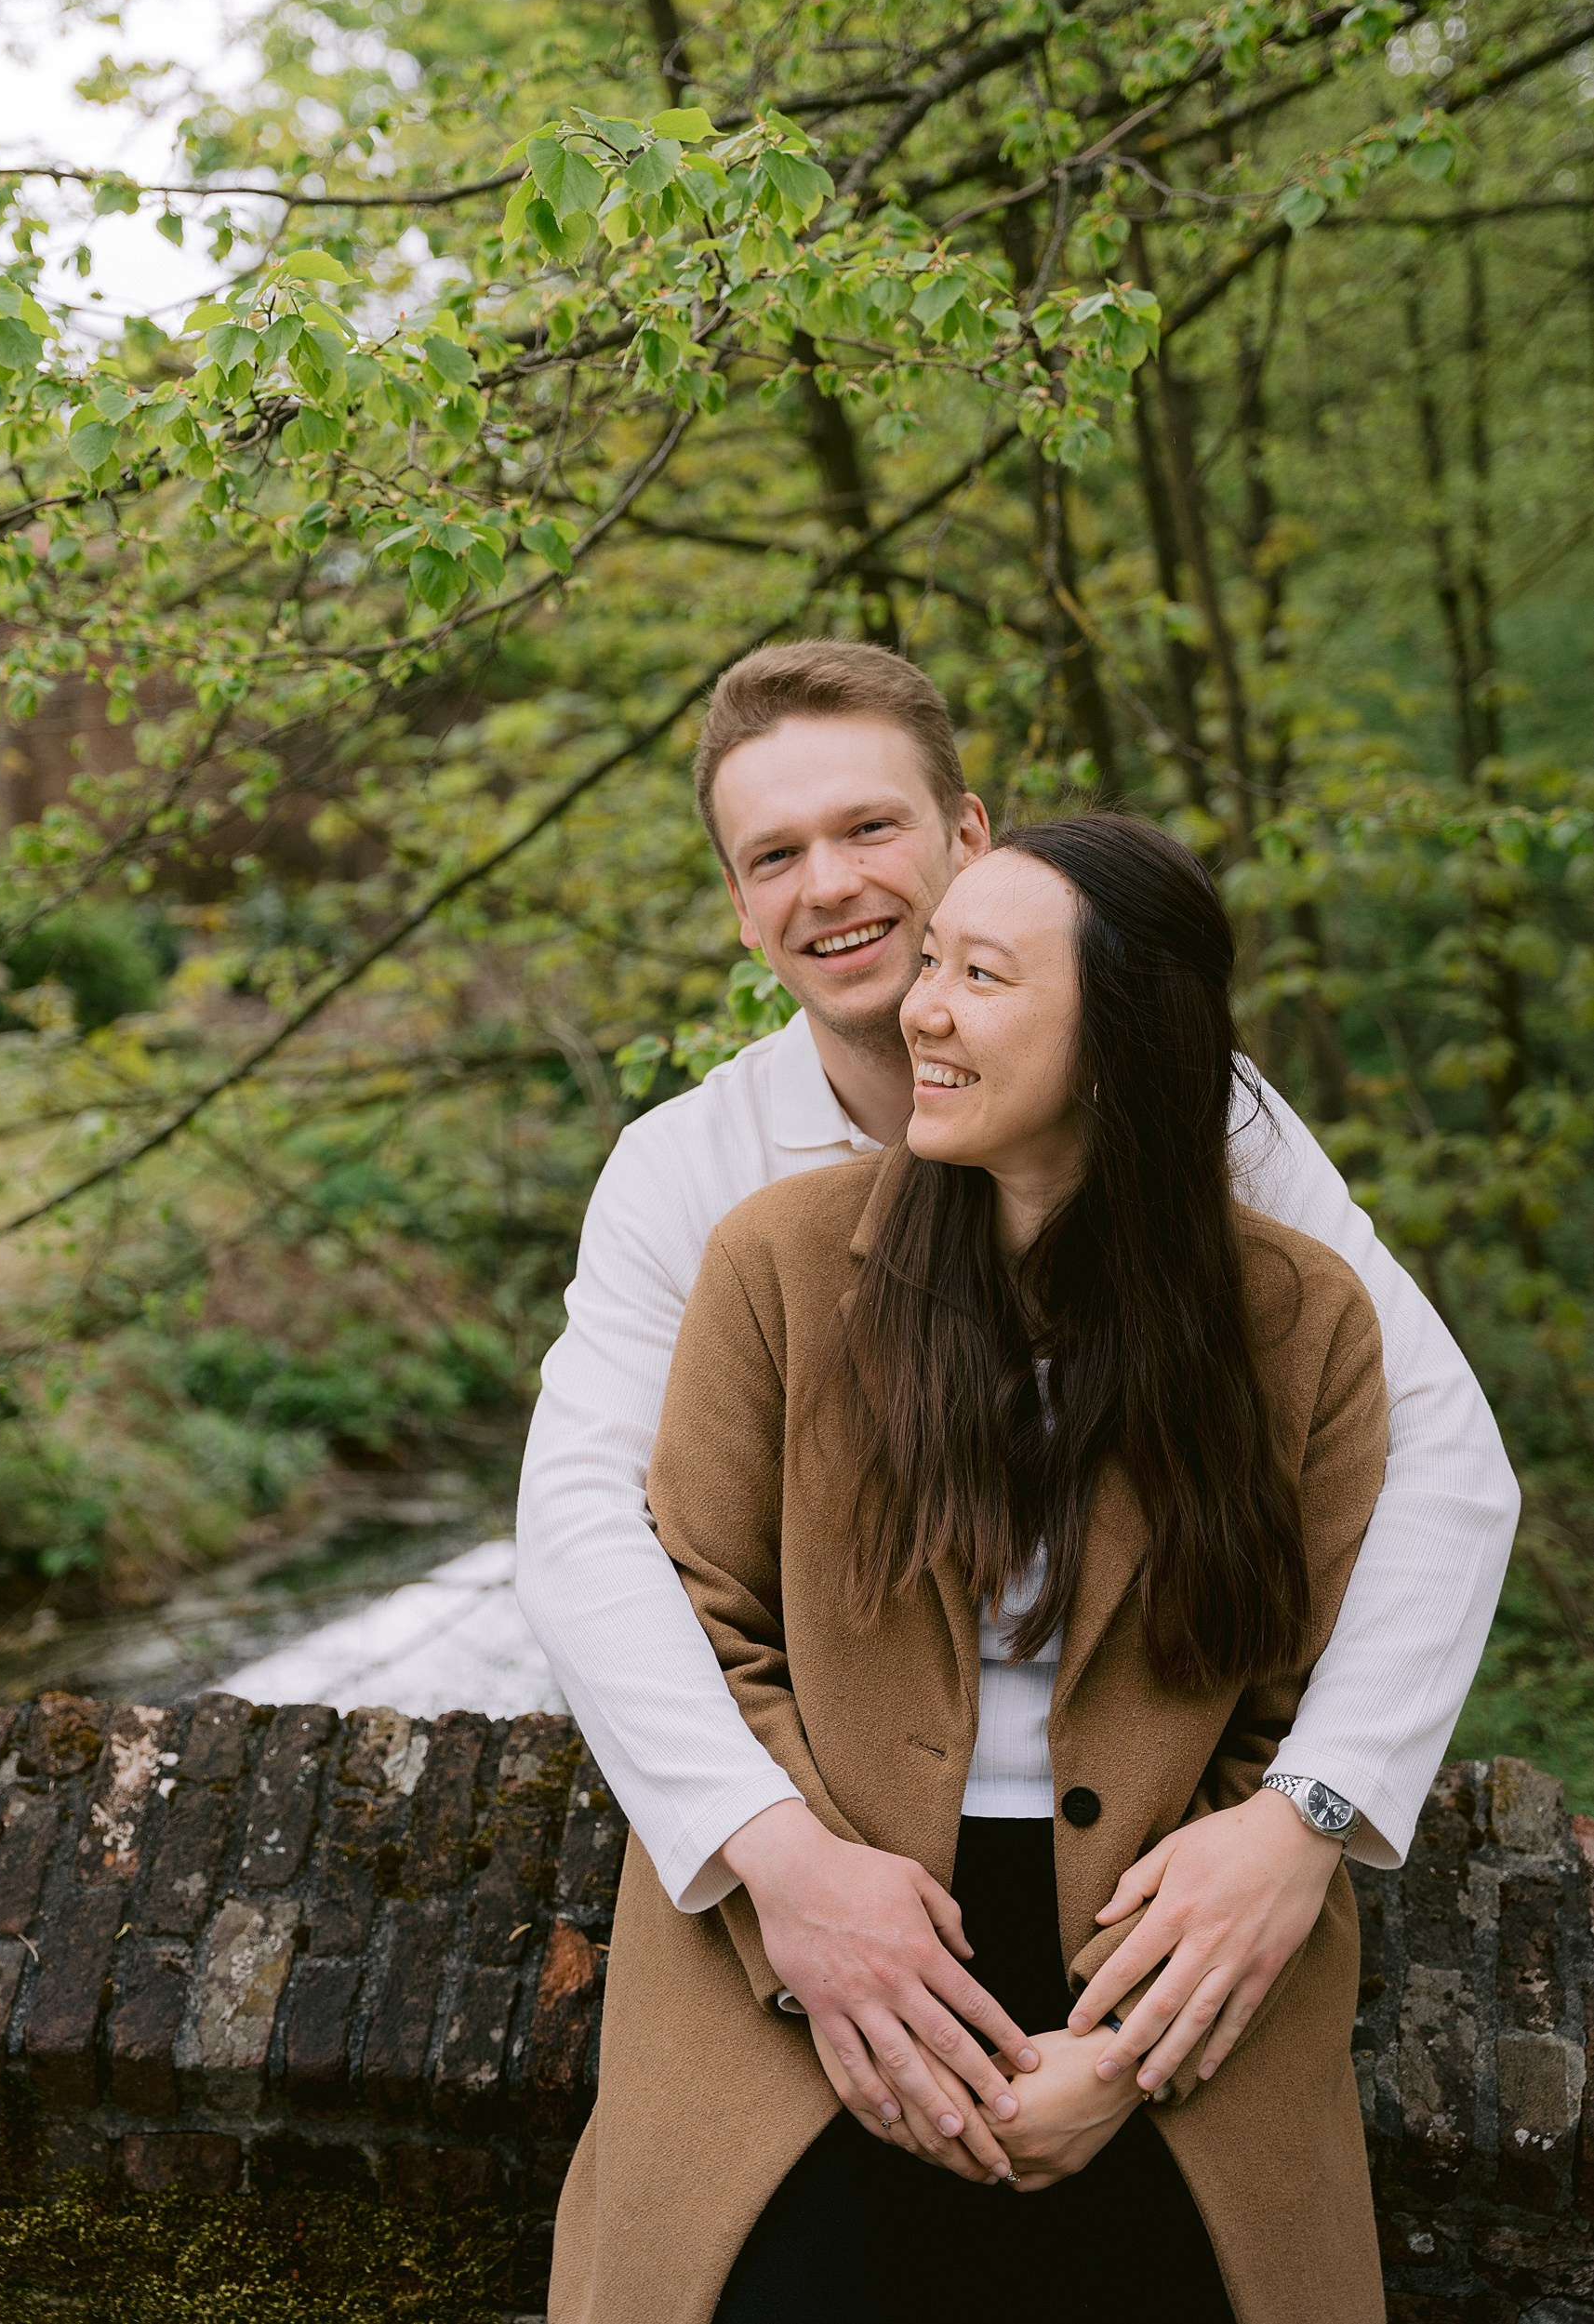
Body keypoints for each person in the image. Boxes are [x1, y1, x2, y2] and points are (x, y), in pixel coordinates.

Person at [517, 642, 1518, 2147]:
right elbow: (588, 1530)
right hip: (829, 1869)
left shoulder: (1199, 1120)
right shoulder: (688, 1174)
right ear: (739, 906)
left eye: (868, 829)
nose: (829, 886)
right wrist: (773, 1853)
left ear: (969, 838)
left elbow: (1439, 1462)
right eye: (772, 855)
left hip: (1129, 1868)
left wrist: (1300, 1816)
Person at [550, 816, 1389, 2322]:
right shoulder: (777, 1265)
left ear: (1124, 1038)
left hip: (1163, 1936)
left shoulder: (1300, 1317)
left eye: (979, 974)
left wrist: (1130, 2045)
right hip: (808, 1907)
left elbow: (1298, 1688)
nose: (918, 1008)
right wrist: (805, 1925)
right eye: (930, 961)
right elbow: (701, 1609)